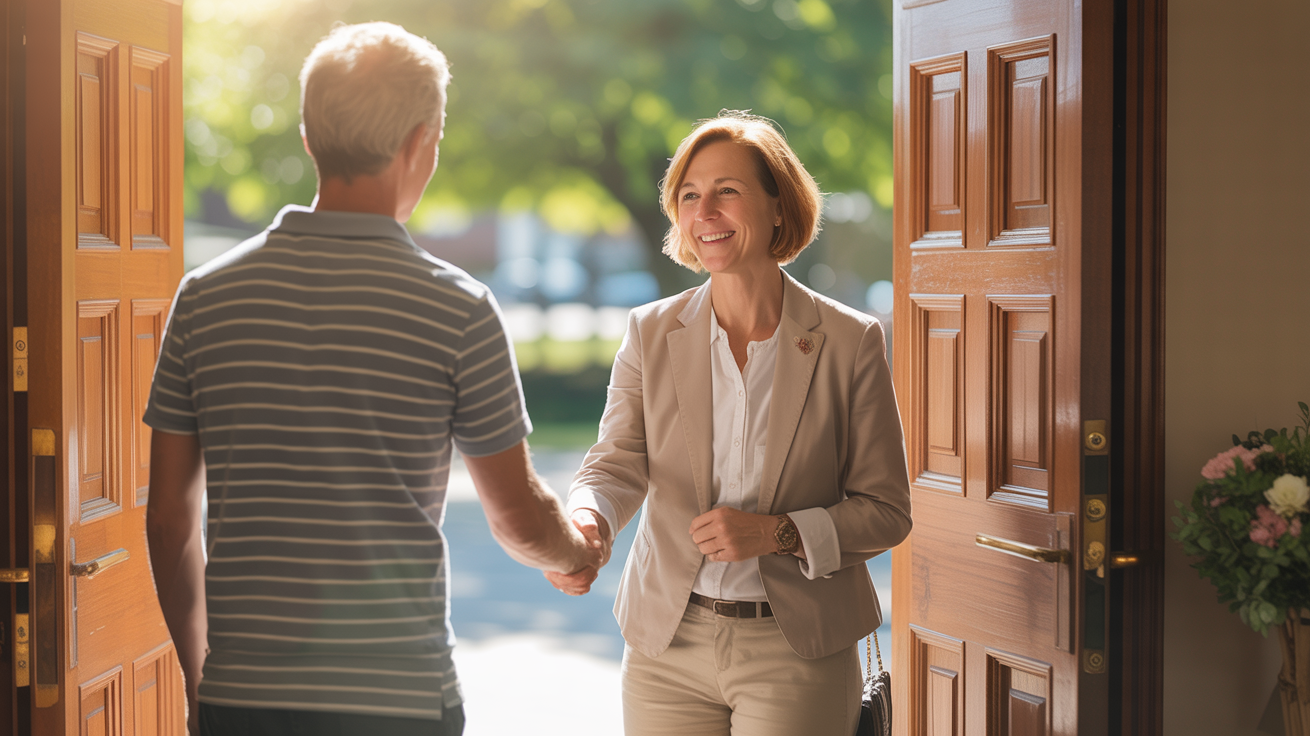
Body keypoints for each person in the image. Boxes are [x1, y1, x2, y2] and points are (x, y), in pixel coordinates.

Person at [144, 22, 602, 736]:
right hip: (398, 702)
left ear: (307, 137)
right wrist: (577, 551)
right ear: (421, 143)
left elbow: (170, 519)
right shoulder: (458, 307)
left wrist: (201, 680)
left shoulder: (204, 296)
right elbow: (516, 518)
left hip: (245, 698)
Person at [546, 111, 913, 735]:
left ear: (778, 206)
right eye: (689, 196)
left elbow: (886, 509)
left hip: (797, 651)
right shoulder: (650, 331)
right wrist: (589, 520)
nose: (704, 211)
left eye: (727, 191)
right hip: (667, 644)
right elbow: (615, 462)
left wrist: (778, 534)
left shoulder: (850, 341)